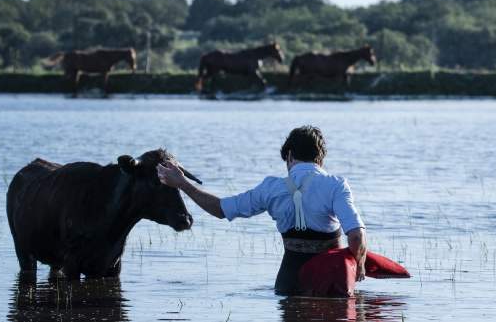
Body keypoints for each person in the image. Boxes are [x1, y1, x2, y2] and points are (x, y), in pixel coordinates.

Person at [156, 125, 367, 295]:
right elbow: (356, 235)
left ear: (290, 155)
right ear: (320, 159)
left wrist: (183, 184)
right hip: (330, 285)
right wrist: (359, 264)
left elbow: (220, 209)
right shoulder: (336, 185)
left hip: (288, 283)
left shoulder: (270, 188)